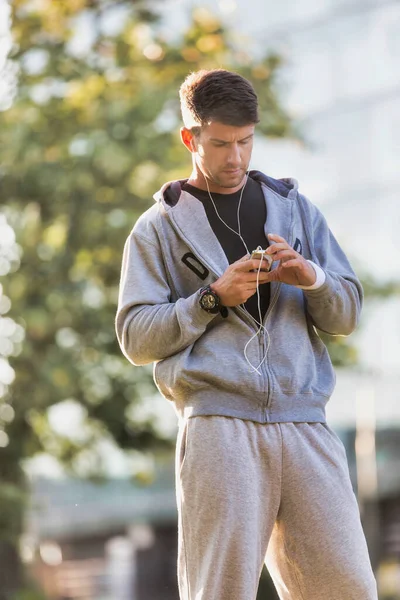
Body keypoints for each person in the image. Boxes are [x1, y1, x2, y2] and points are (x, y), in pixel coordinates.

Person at [115, 69, 378, 600]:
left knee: (348, 587)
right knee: (220, 591)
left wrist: (314, 279)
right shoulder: (157, 229)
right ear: (191, 138)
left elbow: (346, 314)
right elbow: (135, 338)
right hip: (219, 429)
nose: (235, 158)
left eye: (245, 142)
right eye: (219, 144)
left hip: (306, 424)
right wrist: (211, 299)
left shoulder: (297, 210)